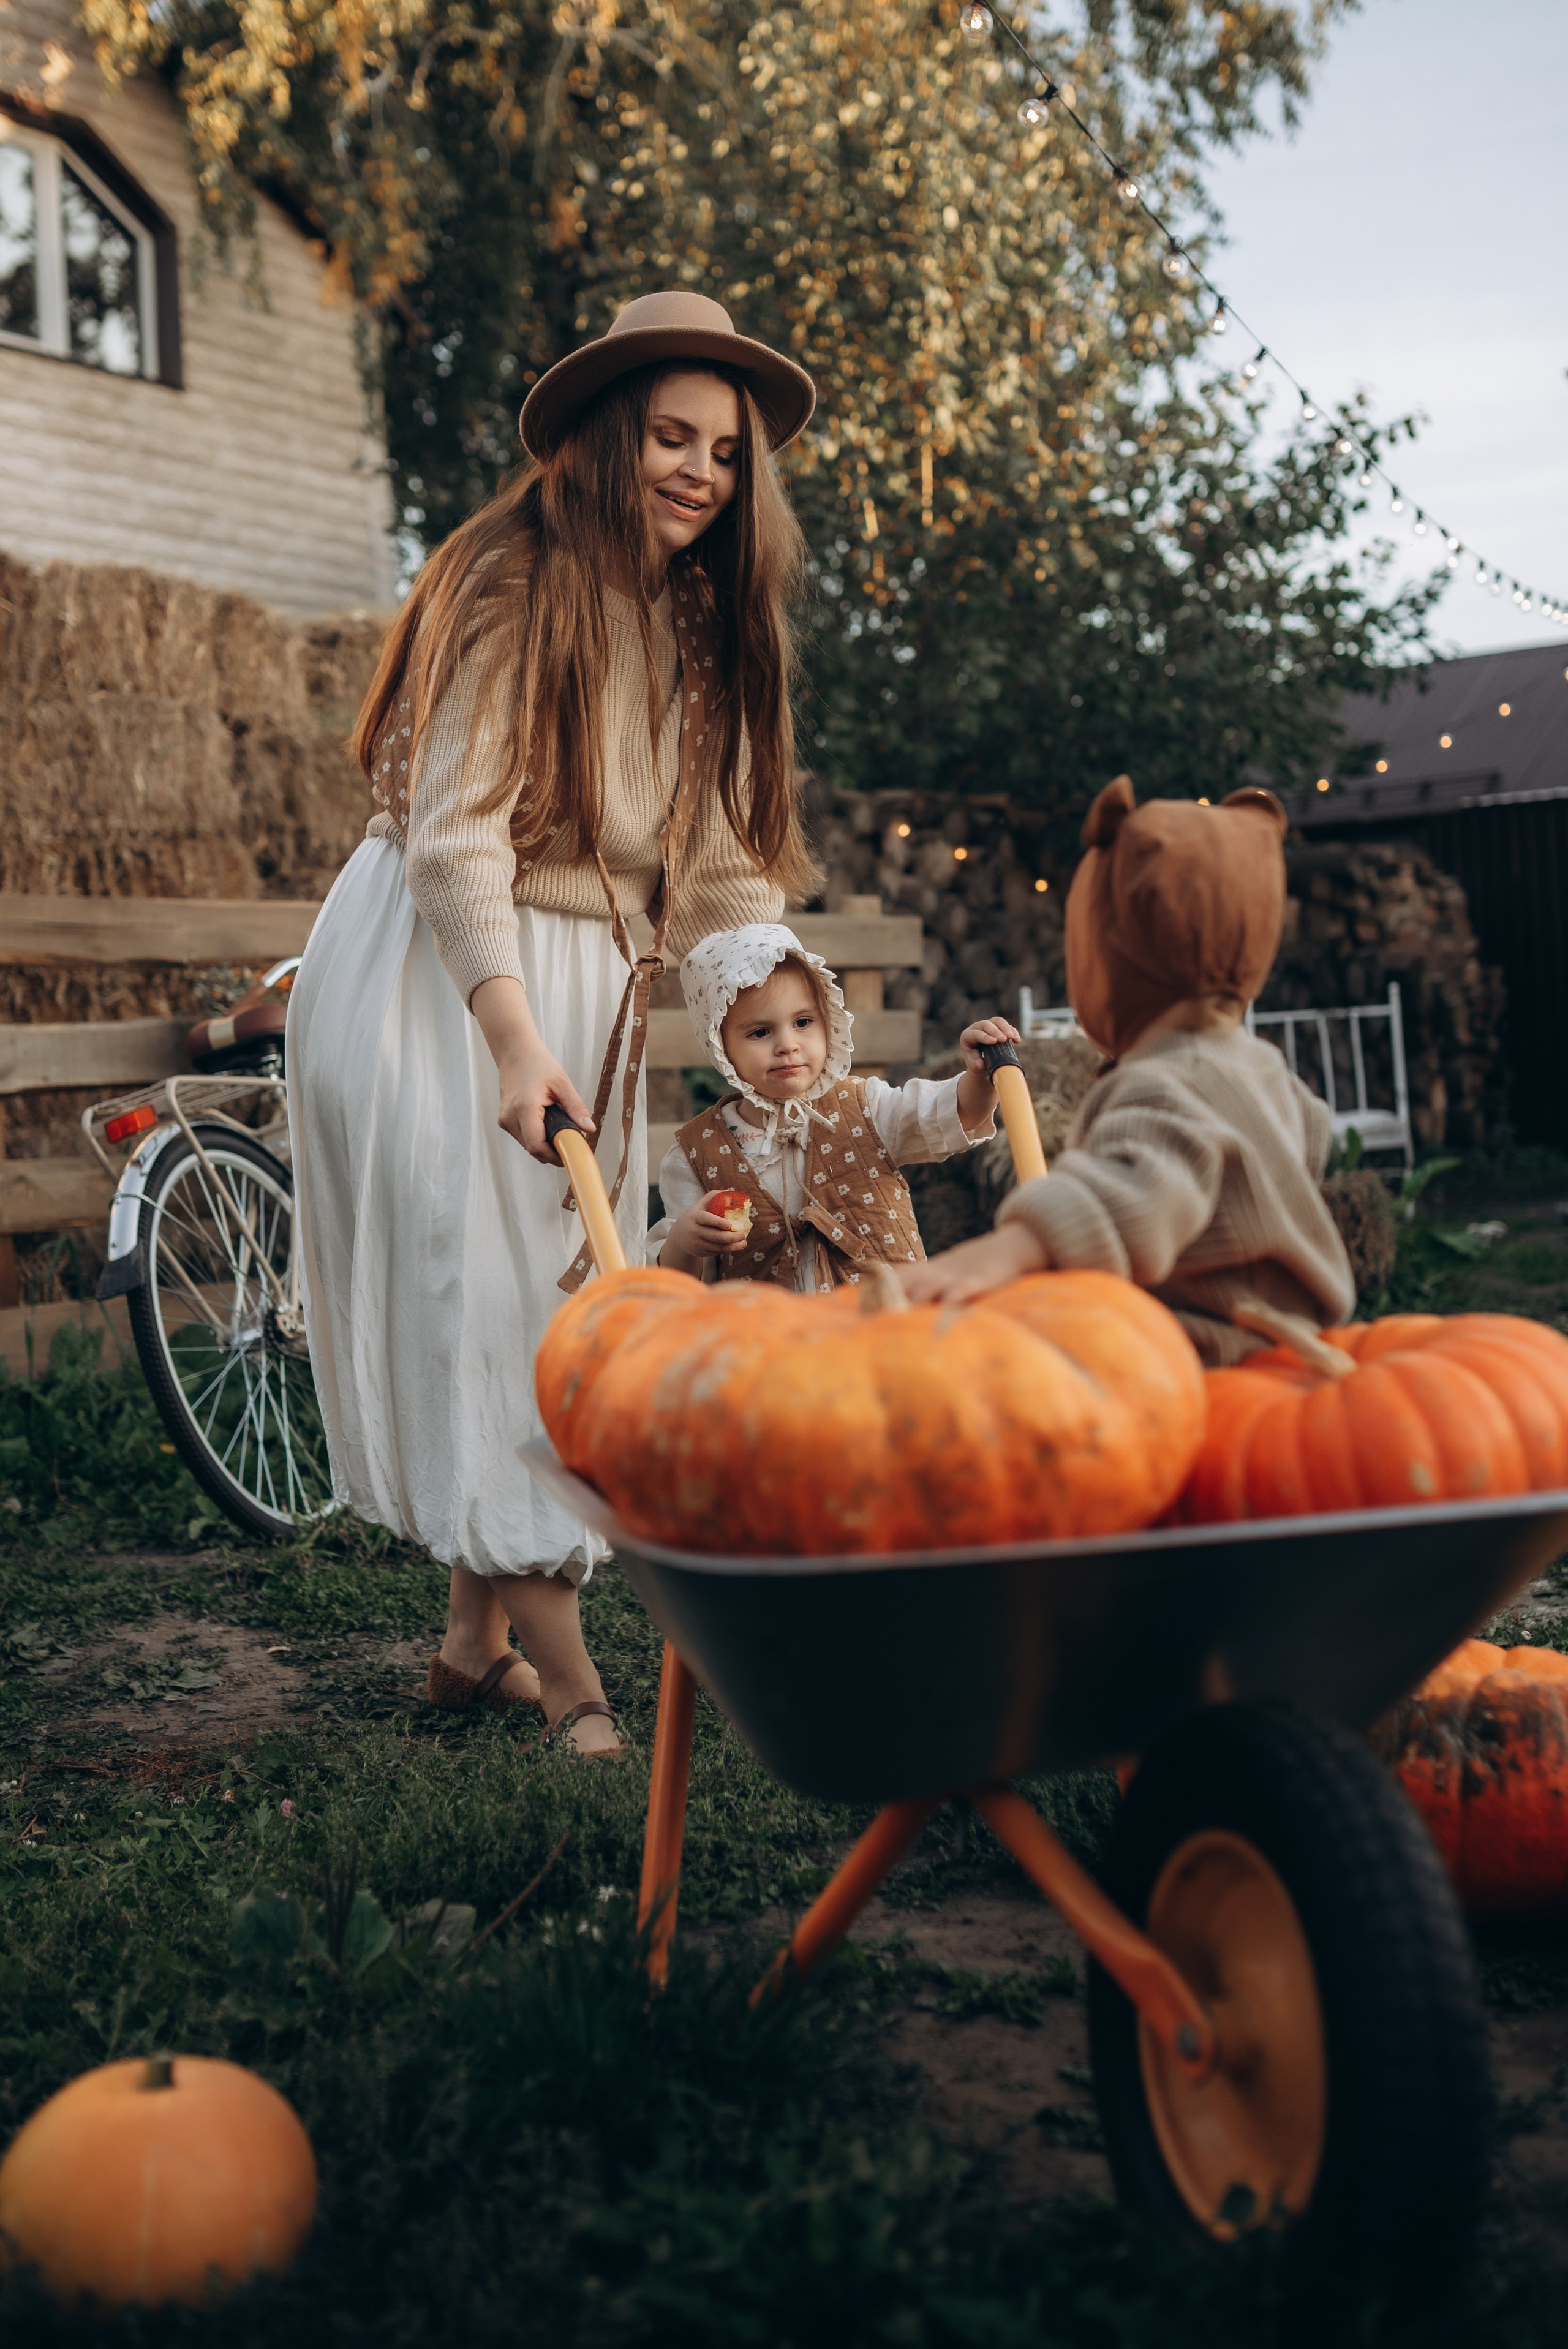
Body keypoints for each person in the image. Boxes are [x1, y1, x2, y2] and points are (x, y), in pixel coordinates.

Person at [287, 293, 818, 1751]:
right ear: (604, 433)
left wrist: (799, 1019)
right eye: (669, 435)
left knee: (536, 1296)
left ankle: (473, 1648)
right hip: (444, 979)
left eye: (722, 448)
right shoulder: (513, 581)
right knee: (514, 1311)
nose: (699, 469)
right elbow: (457, 843)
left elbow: (717, 873)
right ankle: (581, 1690)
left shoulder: (701, 627)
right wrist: (516, 1040)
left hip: (581, 988)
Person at [902, 775, 1355, 1363]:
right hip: (1292, 1350)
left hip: (1200, 1361)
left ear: (1109, 957)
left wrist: (1002, 1253)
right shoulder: (1263, 1067)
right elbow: (1308, 1141)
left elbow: (1128, 1198)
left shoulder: (1170, 1080)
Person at [648, 923, 1018, 1291]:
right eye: (760, 1032)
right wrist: (683, 1243)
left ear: (828, 1023)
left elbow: (957, 1114)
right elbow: (680, 1288)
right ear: (720, 1047)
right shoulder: (696, 1154)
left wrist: (981, 1077)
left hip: (877, 1327)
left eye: (803, 1022)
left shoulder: (867, 1109)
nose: (787, 1044)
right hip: (773, 1340)